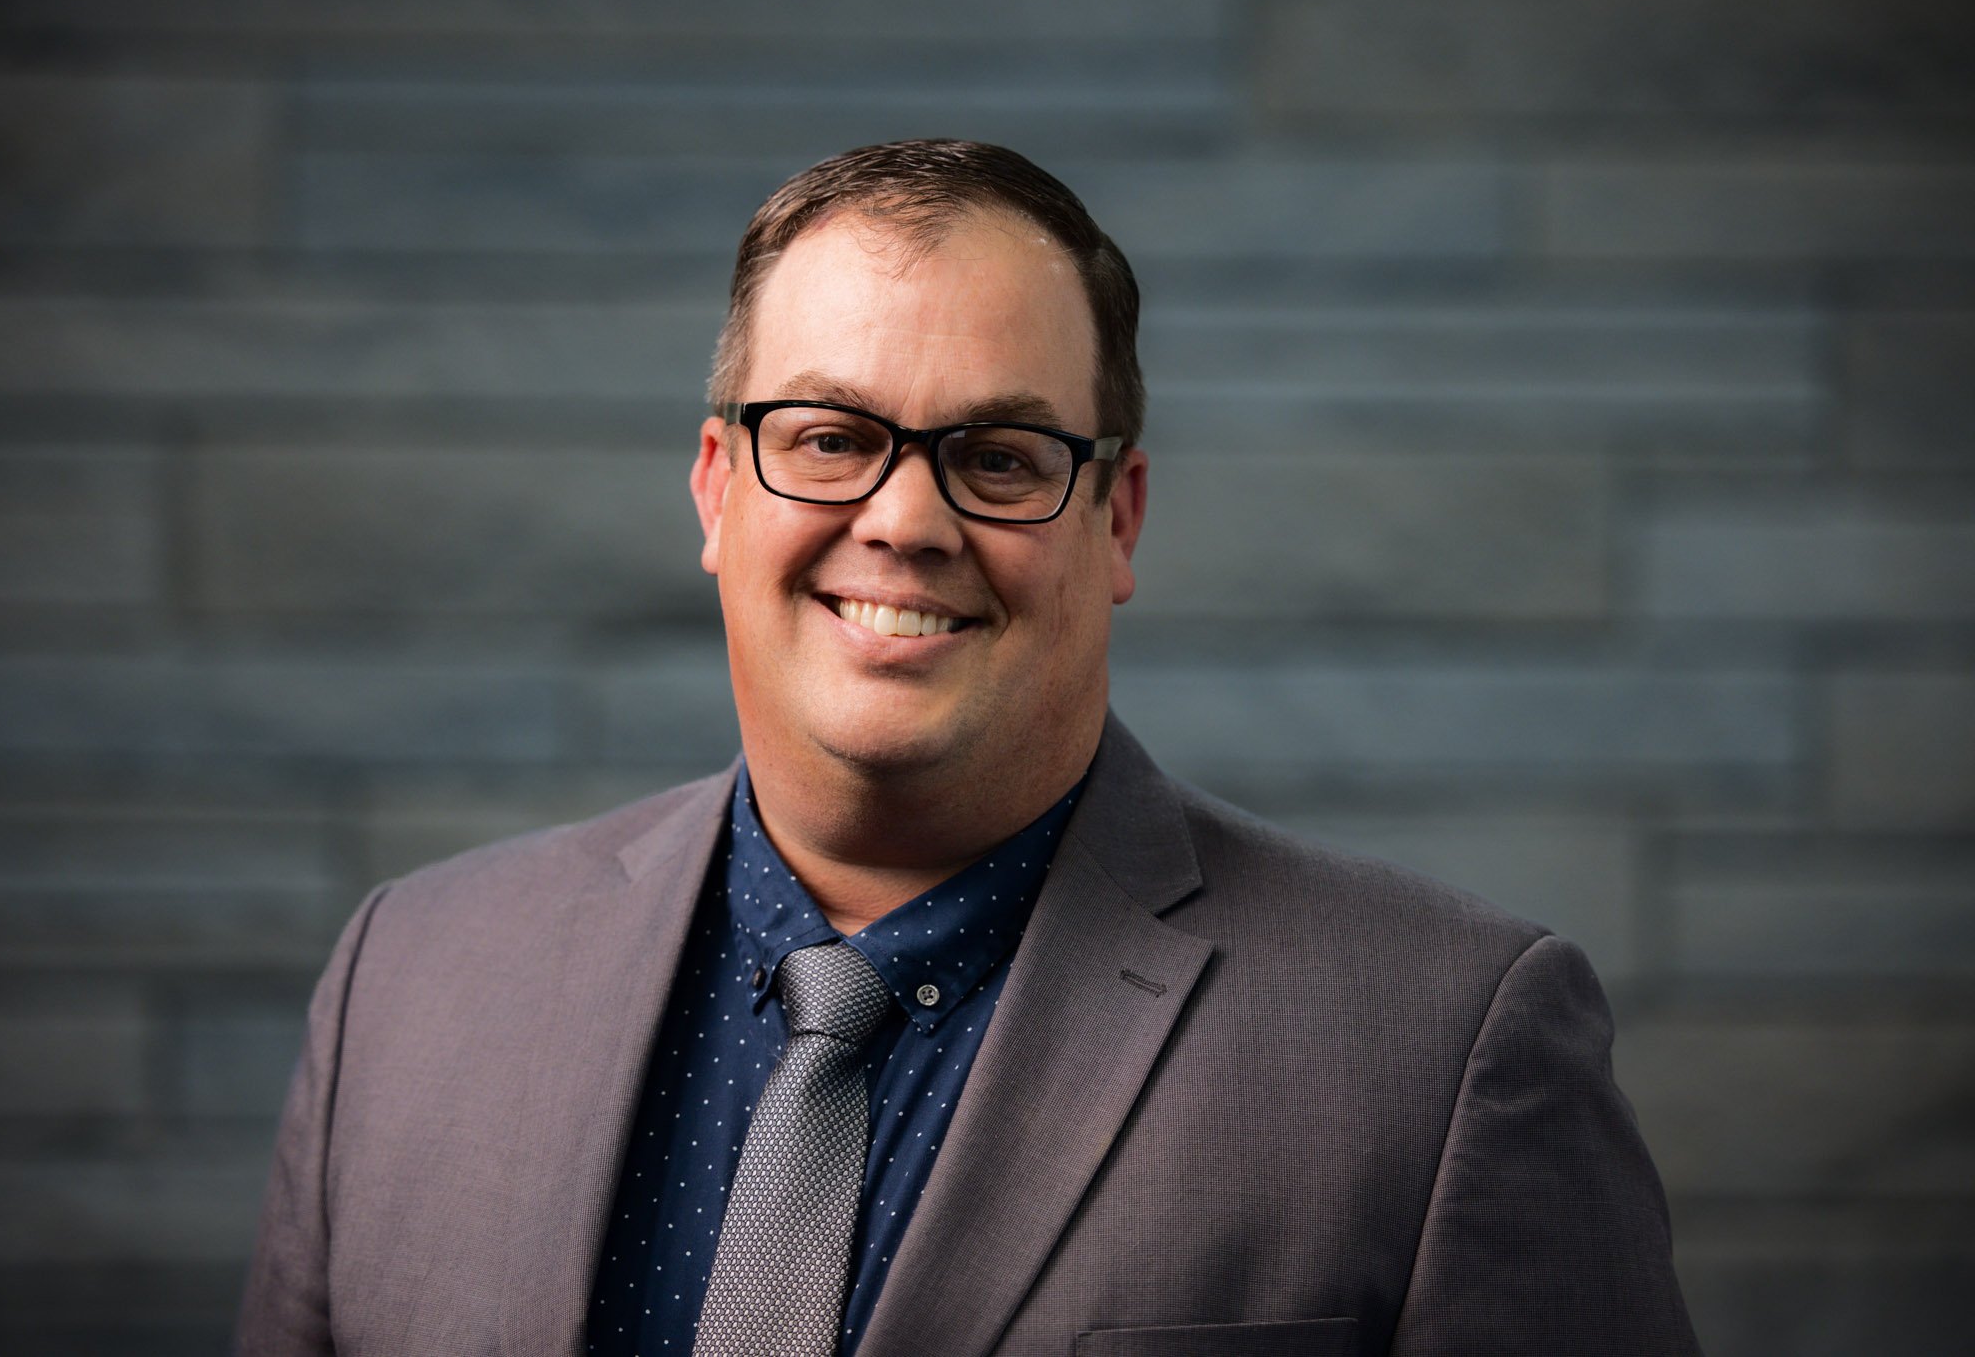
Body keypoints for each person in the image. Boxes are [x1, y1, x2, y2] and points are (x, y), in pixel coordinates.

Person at [237, 139, 1701, 1357]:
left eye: (999, 458)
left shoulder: (1445, 1049)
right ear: (715, 487)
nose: (905, 520)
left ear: (1115, 520)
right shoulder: (409, 986)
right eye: (826, 436)